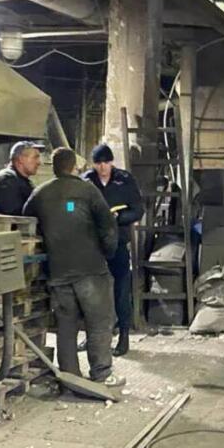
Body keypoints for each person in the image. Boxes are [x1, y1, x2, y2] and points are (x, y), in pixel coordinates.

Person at [23, 147, 125, 388]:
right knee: (98, 322)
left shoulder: (40, 193)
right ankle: (101, 373)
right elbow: (108, 226)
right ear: (73, 167)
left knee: (66, 327)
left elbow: (26, 220)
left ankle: (70, 377)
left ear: (54, 167)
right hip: (90, 269)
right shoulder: (88, 190)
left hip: (58, 271)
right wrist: (108, 253)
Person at [82, 143, 143, 357]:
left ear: (111, 162)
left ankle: (124, 335)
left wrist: (119, 218)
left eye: (106, 163)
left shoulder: (124, 180)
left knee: (121, 288)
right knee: (90, 291)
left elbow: (138, 210)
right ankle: (91, 336)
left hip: (117, 241)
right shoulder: (86, 181)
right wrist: (75, 215)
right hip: (93, 244)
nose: (102, 167)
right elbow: (72, 206)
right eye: (98, 163)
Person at [0, 140, 43, 216]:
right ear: (21, 159)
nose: (39, 162)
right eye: (35, 157)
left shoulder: (22, 181)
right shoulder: (7, 179)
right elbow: (14, 214)